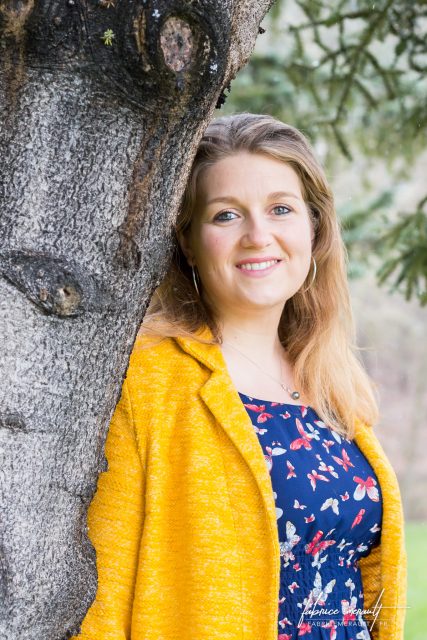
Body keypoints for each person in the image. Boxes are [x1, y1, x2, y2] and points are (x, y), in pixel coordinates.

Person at [72, 114, 406, 640]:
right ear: (188, 240)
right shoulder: (146, 378)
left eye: (281, 209)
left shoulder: (333, 383)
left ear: (314, 228)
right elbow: (104, 595)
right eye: (226, 215)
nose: (258, 235)